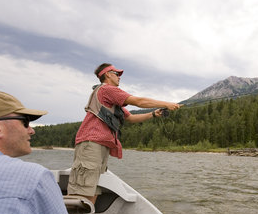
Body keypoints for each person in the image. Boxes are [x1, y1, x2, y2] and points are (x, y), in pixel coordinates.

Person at [67, 63, 181, 204]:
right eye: (116, 73)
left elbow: (131, 118)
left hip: (99, 145)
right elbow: (138, 101)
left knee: (92, 188)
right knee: (82, 192)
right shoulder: (107, 89)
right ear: (107, 74)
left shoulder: (111, 98)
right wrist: (167, 103)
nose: (119, 76)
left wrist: (153, 114)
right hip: (91, 144)